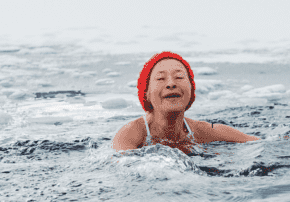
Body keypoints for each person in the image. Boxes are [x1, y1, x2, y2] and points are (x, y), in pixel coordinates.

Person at [111, 51, 259, 152]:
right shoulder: (130, 134)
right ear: (147, 94)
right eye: (160, 78)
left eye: (179, 77)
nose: (171, 84)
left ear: (191, 90)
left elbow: (257, 143)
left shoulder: (199, 131)